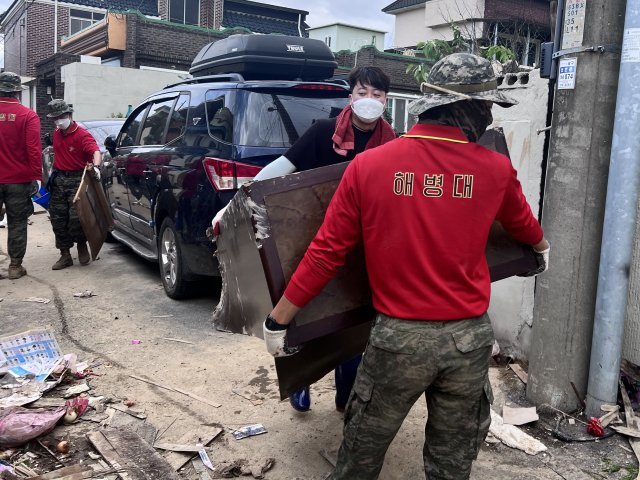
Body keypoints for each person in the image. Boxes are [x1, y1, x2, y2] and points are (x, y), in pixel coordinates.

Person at [262, 53, 550, 480]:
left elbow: (326, 252)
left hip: (397, 341)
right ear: (464, 108)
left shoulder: (370, 166)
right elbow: (524, 226)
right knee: (451, 465)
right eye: (486, 106)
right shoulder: (494, 169)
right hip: (468, 342)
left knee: (360, 458)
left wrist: (278, 320)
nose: (488, 117)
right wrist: (542, 250)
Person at [214, 66, 396, 412]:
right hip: (313, 241)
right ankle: (302, 381)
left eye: (377, 95)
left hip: (366, 246)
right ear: (350, 97)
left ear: (386, 101)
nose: (369, 101)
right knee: (306, 314)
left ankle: (347, 393)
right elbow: (278, 172)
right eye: (362, 93)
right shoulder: (323, 133)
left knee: (354, 320)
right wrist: (233, 206)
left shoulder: (393, 143)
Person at [47, 99, 101, 270]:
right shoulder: (56, 133)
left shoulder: (82, 135)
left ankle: (81, 244)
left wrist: (96, 166)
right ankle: (65, 255)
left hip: (77, 180)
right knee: (58, 219)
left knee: (76, 218)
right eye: (54, 118)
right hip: (59, 179)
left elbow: (95, 151)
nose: (58, 121)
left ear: (68, 115)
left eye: (60, 117)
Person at [0, 72, 42, 279]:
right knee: (17, 222)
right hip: (18, 180)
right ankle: (15, 267)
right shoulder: (28, 115)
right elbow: (33, 149)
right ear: (17, 91)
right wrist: (36, 176)